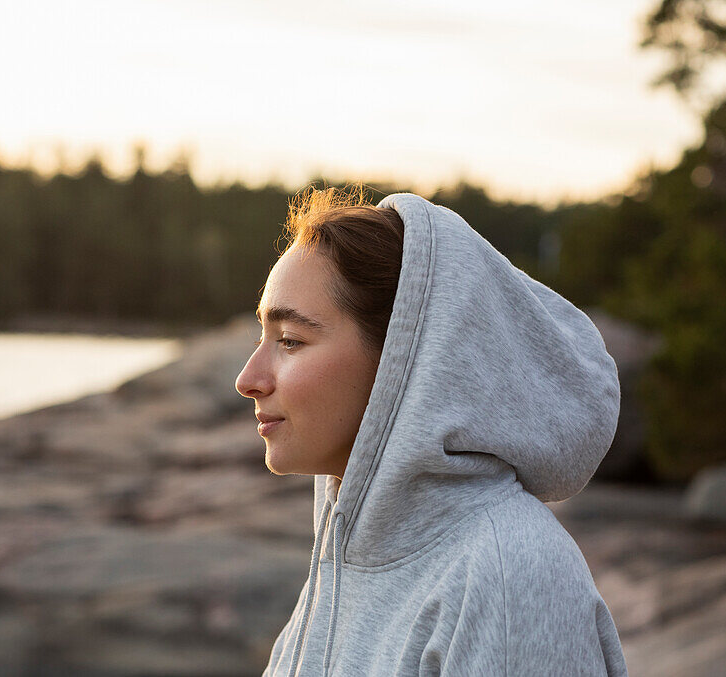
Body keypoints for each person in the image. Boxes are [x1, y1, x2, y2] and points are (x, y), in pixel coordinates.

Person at [235, 187, 628, 676]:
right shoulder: (342, 558)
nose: (248, 380)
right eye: (263, 337)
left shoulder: (506, 576)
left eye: (290, 341)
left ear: (407, 355)